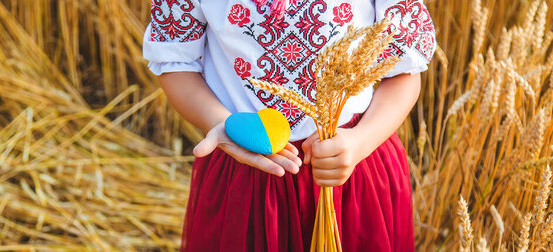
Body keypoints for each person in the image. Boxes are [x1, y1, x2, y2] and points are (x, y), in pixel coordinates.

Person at [143, 0, 436, 251]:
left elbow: (403, 71)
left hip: (353, 167)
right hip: (245, 172)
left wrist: (360, 142)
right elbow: (175, 61)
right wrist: (223, 125)